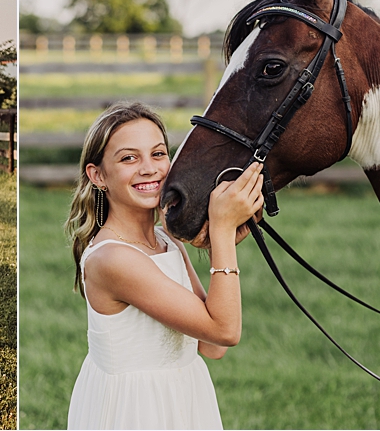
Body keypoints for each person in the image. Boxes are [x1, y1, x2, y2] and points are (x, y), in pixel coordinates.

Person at [65, 102, 264, 430]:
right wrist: (223, 230)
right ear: (97, 175)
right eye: (129, 158)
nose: (149, 168)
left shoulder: (164, 241)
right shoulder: (114, 259)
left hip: (184, 398)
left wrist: (217, 243)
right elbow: (225, 332)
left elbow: (212, 347)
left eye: (158, 154)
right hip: (137, 410)